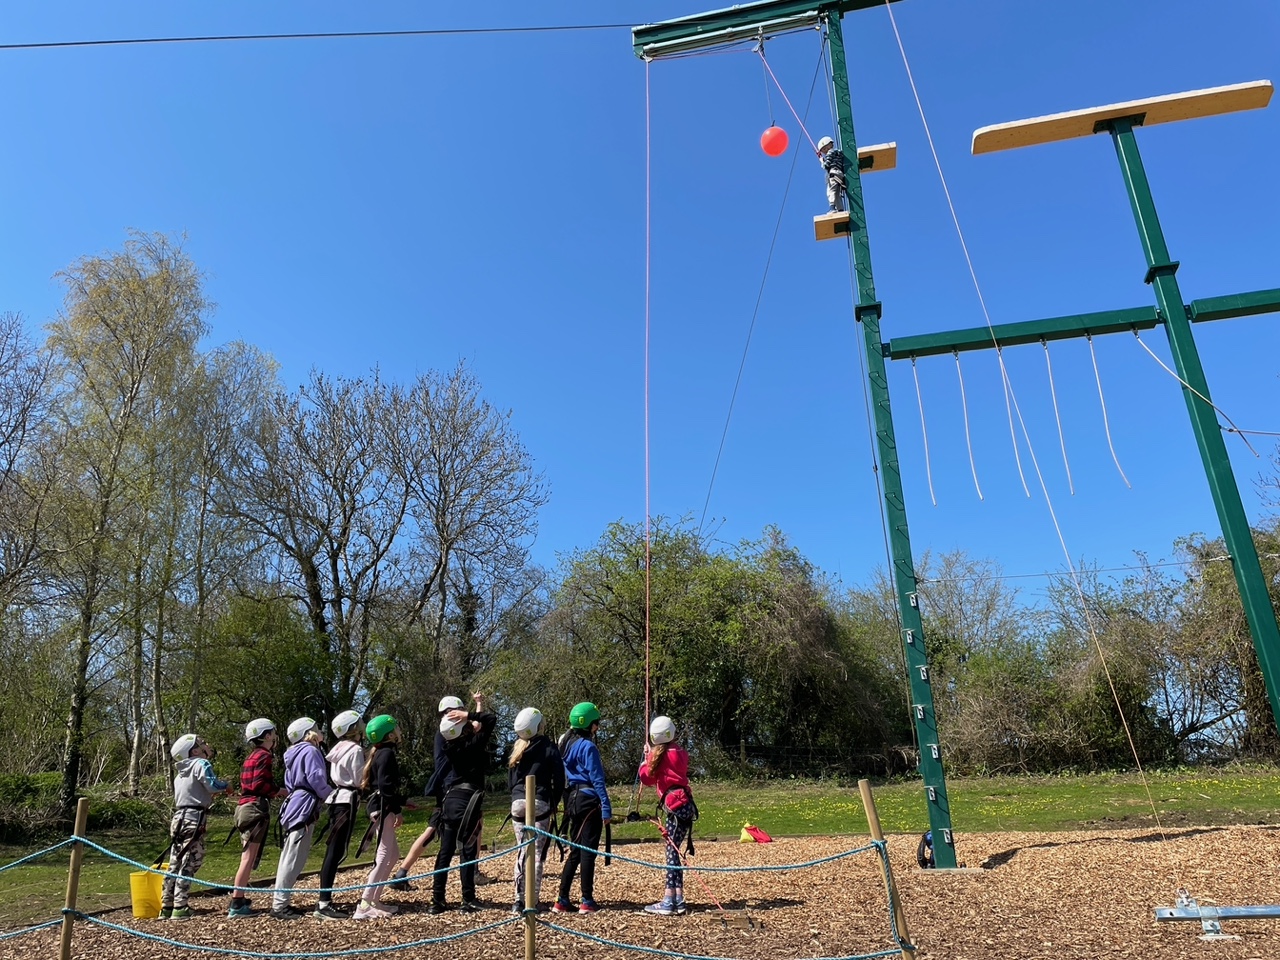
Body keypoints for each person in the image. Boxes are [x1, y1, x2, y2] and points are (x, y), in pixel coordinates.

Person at [428, 696, 497, 914]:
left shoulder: (449, 745)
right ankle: (468, 899)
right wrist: (469, 714)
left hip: (450, 800)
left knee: (445, 852)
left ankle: (437, 901)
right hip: (469, 800)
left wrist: (465, 719)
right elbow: (490, 719)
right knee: (467, 851)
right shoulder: (475, 744)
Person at [390, 694, 464, 890]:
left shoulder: (446, 730)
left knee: (433, 830)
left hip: (446, 787)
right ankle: (402, 872)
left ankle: (402, 872)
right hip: (450, 788)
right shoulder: (449, 731)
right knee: (434, 830)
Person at [552, 702, 612, 915]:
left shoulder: (566, 744)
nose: (597, 727)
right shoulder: (588, 747)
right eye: (596, 723)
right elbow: (597, 779)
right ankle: (586, 899)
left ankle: (562, 899)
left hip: (573, 801)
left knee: (576, 851)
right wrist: (606, 807)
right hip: (588, 801)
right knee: (588, 852)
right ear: (590, 725)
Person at [271, 718, 334, 920]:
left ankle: (281, 902)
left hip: (295, 801)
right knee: (294, 856)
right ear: (309, 733)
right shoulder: (311, 751)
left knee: (290, 854)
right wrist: (330, 794)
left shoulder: (292, 754)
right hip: (305, 804)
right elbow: (316, 778)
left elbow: (289, 783)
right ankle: (280, 905)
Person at [160, 734, 229, 920]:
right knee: (191, 859)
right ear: (195, 751)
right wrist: (227, 786)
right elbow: (213, 785)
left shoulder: (181, 771)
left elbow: (195, 791)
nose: (206, 746)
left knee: (175, 859)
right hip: (194, 818)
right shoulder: (201, 764)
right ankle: (180, 906)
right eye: (201, 744)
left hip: (179, 818)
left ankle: (166, 904)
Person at [507, 707, 564, 914]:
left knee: (522, 850)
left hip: (517, 803)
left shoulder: (517, 749)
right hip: (539, 802)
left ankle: (518, 900)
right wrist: (555, 802)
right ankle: (533, 900)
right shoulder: (549, 747)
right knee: (537, 853)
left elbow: (511, 782)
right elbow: (559, 779)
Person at [228, 718, 287, 918]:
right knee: (247, 857)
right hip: (255, 808)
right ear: (267, 735)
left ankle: (239, 898)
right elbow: (260, 785)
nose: (275, 736)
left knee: (247, 856)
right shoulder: (265, 756)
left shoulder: (251, 756)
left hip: (244, 807)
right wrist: (280, 791)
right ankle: (236, 903)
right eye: (273, 732)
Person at [639, 716, 695, 916]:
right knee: (674, 852)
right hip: (686, 804)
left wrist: (647, 758)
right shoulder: (680, 752)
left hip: (675, 807)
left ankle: (669, 900)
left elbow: (646, 778)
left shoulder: (658, 755)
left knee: (671, 853)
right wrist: (651, 755)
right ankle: (677, 898)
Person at [353, 714, 406, 919]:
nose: (399, 730)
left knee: (392, 855)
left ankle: (374, 900)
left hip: (382, 805)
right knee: (384, 854)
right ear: (390, 734)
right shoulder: (387, 754)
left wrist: (401, 801)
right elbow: (385, 787)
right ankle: (365, 904)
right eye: (397, 727)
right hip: (383, 807)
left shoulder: (381, 753)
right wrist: (397, 809)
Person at [315, 709, 366, 920]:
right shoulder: (354, 750)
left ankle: (324, 900)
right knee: (334, 852)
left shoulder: (339, 748)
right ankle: (324, 903)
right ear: (353, 729)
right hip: (346, 801)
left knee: (333, 851)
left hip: (338, 799)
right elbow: (358, 779)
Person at [817, 136, 847, 213]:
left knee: (830, 192)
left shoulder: (830, 153)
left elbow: (826, 166)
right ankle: (840, 210)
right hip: (839, 174)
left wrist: (821, 161)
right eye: (823, 150)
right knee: (837, 194)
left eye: (824, 148)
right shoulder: (837, 154)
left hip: (833, 174)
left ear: (830, 145)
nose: (824, 151)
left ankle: (832, 208)